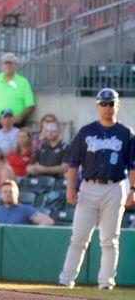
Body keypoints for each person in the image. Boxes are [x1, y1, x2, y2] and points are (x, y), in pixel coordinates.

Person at [59, 88, 135, 291]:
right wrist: (70, 188)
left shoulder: (126, 133)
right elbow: (73, 163)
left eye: (111, 104)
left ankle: (106, 283)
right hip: (89, 186)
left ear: (117, 106)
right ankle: (66, 281)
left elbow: (132, 165)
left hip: (115, 187)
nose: (108, 107)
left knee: (110, 239)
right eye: (104, 104)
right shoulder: (86, 131)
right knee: (79, 237)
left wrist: (133, 189)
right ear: (98, 106)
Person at [0, 53, 35, 132]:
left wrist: (21, 117)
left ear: (16, 66)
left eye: (11, 63)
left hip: (16, 123)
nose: (8, 65)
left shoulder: (23, 82)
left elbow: (30, 104)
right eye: (6, 63)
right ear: (1, 65)